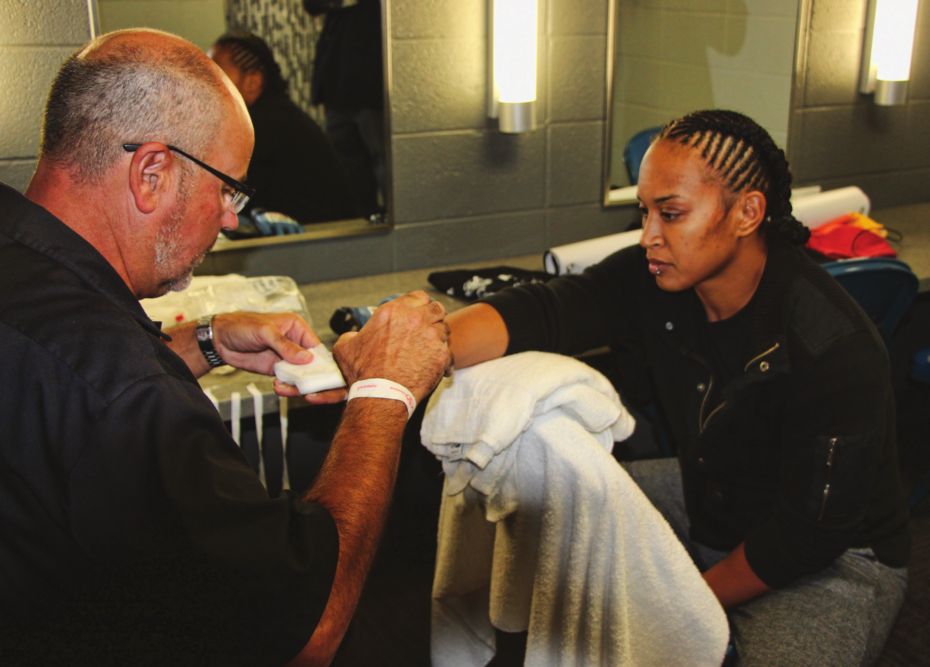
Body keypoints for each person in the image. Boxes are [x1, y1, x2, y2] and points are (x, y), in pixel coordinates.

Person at [0, 29, 450, 667]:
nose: (232, 217)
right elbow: (307, 629)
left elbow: (57, 390)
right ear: (151, 173)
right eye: (227, 187)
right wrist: (385, 389)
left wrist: (203, 343)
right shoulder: (134, 398)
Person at [447, 109, 910, 665]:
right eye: (644, 212)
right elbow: (548, 310)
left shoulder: (833, 343)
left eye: (670, 214)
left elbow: (808, 533)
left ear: (747, 212)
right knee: (545, 498)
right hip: (710, 496)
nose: (649, 236)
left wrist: (681, 607)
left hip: (834, 558)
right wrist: (424, 345)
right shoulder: (655, 275)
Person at [209, 31, 358, 227]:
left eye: (217, 77)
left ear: (252, 82)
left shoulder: (264, 126)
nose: (207, 87)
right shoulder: (278, 115)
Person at [303, 0, 386, 218]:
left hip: (372, 81)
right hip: (337, 81)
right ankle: (362, 218)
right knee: (347, 168)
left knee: (384, 162)